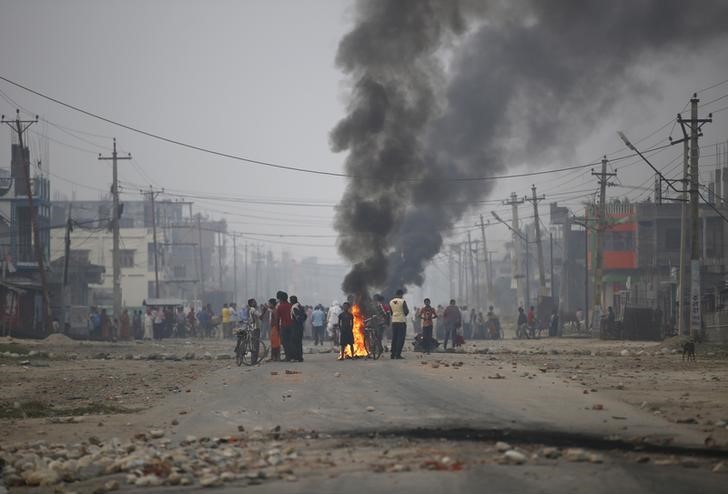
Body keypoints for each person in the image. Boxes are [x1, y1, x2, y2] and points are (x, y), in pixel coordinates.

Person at [389, 289, 409, 359]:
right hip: (401, 321)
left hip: (394, 321)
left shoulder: (391, 302)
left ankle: (392, 354)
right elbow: (406, 311)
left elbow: (391, 312)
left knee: (394, 338)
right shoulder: (402, 301)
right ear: (401, 294)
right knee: (400, 338)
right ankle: (398, 354)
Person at [275, 291, 293, 362]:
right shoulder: (291, 305)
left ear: (280, 299)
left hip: (284, 326)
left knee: (285, 342)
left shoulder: (280, 307)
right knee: (290, 341)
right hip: (292, 326)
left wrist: (277, 329)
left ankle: (287, 356)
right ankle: (291, 356)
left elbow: (277, 319)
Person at [290, 295, 306, 362]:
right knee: (299, 342)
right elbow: (305, 316)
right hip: (300, 326)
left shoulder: (294, 307)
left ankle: (296, 357)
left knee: (295, 342)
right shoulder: (300, 306)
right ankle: (300, 357)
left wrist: (298, 322)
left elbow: (297, 317)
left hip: (296, 326)